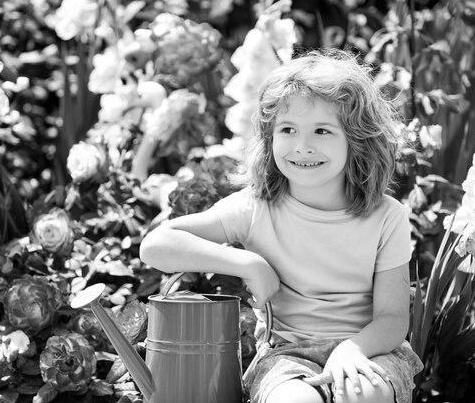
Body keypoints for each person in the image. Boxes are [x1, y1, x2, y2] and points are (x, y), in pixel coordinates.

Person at [139, 49, 423, 403]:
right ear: (269, 136)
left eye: (322, 131)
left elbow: (393, 319)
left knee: (365, 393)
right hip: (287, 356)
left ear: (357, 139)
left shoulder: (386, 216)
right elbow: (156, 245)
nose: (303, 146)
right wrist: (247, 263)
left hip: (368, 349)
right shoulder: (255, 208)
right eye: (288, 129)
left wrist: (351, 350)